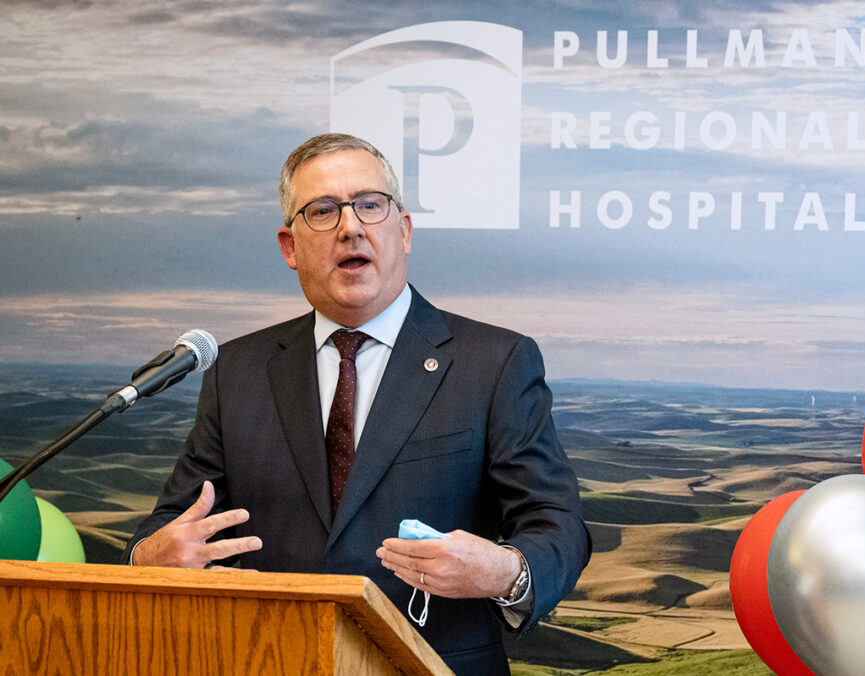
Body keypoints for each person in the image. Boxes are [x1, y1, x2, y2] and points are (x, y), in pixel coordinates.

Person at [125, 133, 591, 674]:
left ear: (404, 229)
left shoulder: (496, 362)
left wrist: (507, 571)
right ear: (290, 247)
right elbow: (171, 524)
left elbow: (558, 524)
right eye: (322, 210)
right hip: (267, 660)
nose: (350, 226)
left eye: (370, 204)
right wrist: (149, 556)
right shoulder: (238, 370)